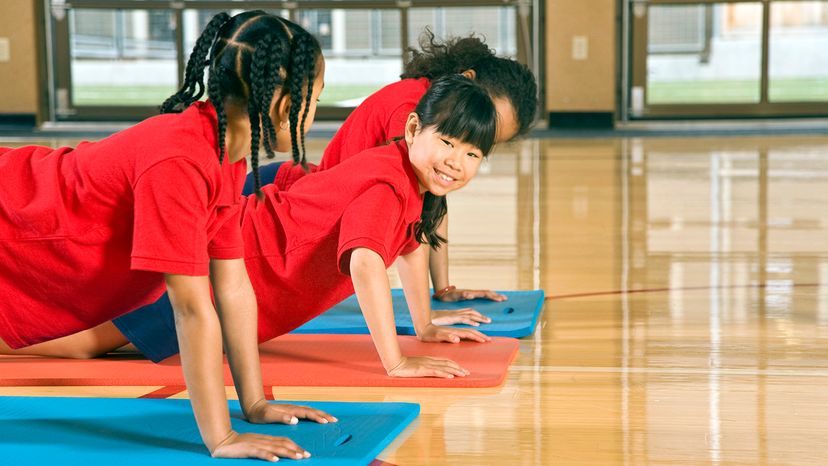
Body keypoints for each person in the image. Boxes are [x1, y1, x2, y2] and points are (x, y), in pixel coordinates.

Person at [0, 11, 335, 462]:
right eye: (314, 98)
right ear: (284, 104)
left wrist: (253, 404)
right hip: (15, 220)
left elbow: (232, 287)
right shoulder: (180, 161)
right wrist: (221, 437)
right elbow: (192, 310)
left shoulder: (225, 157)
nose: (313, 112)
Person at [10, 75, 499, 380]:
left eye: (473, 154)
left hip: (248, 245)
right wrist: (396, 360)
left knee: (92, 322)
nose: (457, 162)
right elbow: (368, 262)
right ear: (413, 129)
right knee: (85, 342)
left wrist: (425, 324)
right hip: (236, 261)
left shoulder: (405, 181)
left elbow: (408, 247)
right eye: (449, 143)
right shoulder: (387, 187)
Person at [253, 29, 538, 311]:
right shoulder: (411, 107)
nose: (478, 133)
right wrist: (406, 346)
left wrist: (443, 288)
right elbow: (410, 221)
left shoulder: (435, 119)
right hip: (277, 198)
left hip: (298, 201)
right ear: (467, 79)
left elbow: (431, 205)